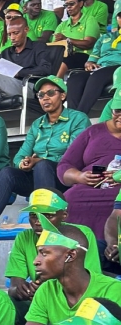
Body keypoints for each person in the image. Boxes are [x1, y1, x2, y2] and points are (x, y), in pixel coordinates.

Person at [0, 76, 88, 226]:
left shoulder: (78, 119)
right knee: (8, 173)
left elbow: (74, 157)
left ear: (62, 96)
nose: (45, 98)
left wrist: (39, 161)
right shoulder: (37, 124)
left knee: (43, 165)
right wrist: (23, 163)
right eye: (41, 95)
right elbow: (19, 156)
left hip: (64, 178)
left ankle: (45, 225)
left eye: (50, 93)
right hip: (38, 178)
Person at [57, 102, 121, 243]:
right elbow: (65, 165)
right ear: (111, 110)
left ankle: (111, 250)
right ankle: (74, 252)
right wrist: (79, 176)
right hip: (88, 188)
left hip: (118, 192)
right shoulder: (93, 131)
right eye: (118, 111)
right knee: (68, 200)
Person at [0, 21, 56, 111]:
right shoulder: (6, 52)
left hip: (28, 86)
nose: (12, 38)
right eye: (9, 34)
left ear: (26, 30)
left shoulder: (38, 47)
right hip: (5, 87)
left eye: (16, 33)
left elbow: (46, 69)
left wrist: (19, 73)